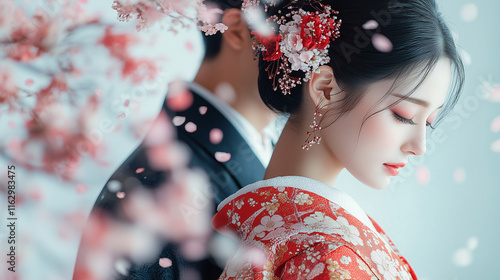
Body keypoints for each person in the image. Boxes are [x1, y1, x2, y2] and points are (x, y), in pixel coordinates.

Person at [212, 0, 465, 279]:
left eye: (427, 123)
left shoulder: (266, 226)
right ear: (325, 89)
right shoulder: (328, 253)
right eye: (403, 115)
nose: (419, 147)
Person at [74, 0, 279, 279]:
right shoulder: (156, 195)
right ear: (238, 30)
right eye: (307, 30)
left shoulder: (279, 153)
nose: (327, 55)